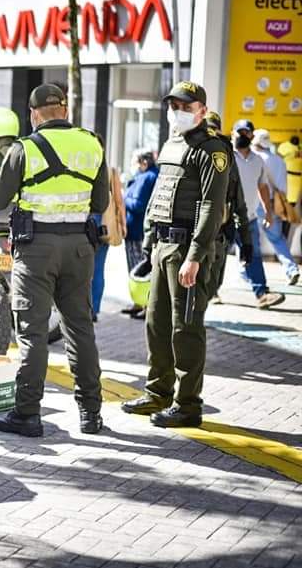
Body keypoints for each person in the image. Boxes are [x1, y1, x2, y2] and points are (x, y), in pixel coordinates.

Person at [0, 84, 108, 437]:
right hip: (80, 249)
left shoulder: (24, 149)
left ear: (34, 114)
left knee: (33, 333)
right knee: (80, 328)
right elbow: (100, 203)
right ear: (64, 110)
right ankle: (91, 414)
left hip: (36, 250)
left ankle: (26, 414)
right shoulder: (92, 143)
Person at [121, 81, 231, 428]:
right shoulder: (171, 144)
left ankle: (187, 405)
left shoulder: (212, 149)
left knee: (186, 329)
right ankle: (158, 391)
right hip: (163, 248)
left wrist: (196, 256)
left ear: (201, 109)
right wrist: (151, 241)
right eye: (174, 106)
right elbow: (161, 194)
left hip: (188, 249)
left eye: (186, 107)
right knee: (157, 324)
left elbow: (213, 207)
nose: (178, 112)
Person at [231, 120, 285, 308]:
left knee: (253, 254)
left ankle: (262, 294)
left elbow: (262, 187)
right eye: (239, 132)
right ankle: (210, 293)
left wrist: (268, 212)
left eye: (246, 133)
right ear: (232, 133)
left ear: (252, 137)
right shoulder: (226, 156)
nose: (241, 136)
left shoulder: (258, 161)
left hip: (249, 217)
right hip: (224, 218)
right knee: (216, 258)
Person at [203, 113, 252, 303]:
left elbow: (238, 203)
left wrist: (246, 242)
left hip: (218, 237)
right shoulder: (188, 153)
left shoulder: (227, 159)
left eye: (213, 130)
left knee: (210, 288)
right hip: (189, 238)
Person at [252, 129, 299, 285]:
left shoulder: (254, 158)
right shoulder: (278, 159)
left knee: (249, 237)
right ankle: (291, 269)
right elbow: (283, 186)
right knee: (278, 238)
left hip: (257, 202)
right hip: (277, 203)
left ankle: (247, 272)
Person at [121, 151, 159, 315]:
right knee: (145, 268)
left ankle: (143, 304)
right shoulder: (154, 175)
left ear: (144, 162)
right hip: (145, 231)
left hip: (137, 230)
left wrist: (122, 198)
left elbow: (138, 204)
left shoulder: (146, 178)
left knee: (138, 270)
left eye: (135, 162)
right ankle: (139, 303)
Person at [91, 164, 125, 320]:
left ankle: (84, 309)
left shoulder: (85, 164)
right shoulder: (110, 170)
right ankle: (95, 310)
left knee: (81, 270)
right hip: (105, 223)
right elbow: (119, 200)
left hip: (86, 220)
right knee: (98, 268)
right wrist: (122, 223)